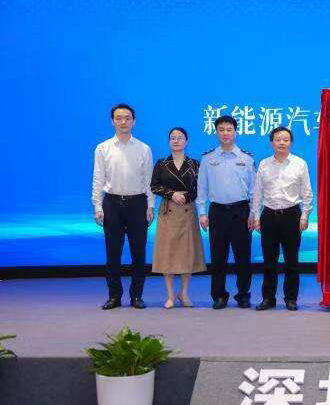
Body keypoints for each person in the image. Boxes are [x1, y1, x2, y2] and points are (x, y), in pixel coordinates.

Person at [91, 103, 154, 310]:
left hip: (138, 204)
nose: (123, 122)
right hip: (112, 204)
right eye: (118, 118)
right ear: (112, 121)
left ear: (134, 121)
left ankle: (137, 296)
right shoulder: (103, 148)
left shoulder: (144, 148)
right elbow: (98, 179)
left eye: (127, 118)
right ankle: (114, 296)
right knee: (113, 253)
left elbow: (149, 180)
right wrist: (97, 206)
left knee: (138, 253)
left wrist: (150, 205)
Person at [251, 126, 313, 311]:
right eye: (278, 139)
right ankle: (268, 298)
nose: (281, 143)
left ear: (291, 142)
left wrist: (305, 215)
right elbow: (257, 193)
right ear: (272, 143)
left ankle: (291, 298)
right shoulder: (264, 164)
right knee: (269, 261)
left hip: (292, 215)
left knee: (291, 260)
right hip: (269, 215)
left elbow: (307, 193)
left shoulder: (300, 164)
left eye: (285, 140)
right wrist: (256, 217)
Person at [197, 115, 255, 309]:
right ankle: (219, 295)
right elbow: (202, 188)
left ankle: (243, 295)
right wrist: (202, 212)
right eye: (221, 130)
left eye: (229, 129)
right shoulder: (208, 158)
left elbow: (254, 190)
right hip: (217, 212)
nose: (225, 133)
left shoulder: (246, 158)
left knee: (243, 257)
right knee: (218, 257)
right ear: (216, 132)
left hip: (241, 211)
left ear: (235, 132)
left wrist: (253, 214)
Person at [150, 127, 206, 308]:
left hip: (188, 209)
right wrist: (172, 194)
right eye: (173, 138)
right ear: (168, 142)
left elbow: (201, 187)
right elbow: (154, 186)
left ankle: (184, 292)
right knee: (167, 252)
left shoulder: (195, 164)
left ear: (186, 141)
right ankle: (170, 295)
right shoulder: (161, 163)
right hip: (169, 210)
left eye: (180, 138)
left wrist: (187, 197)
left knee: (187, 252)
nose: (176, 141)